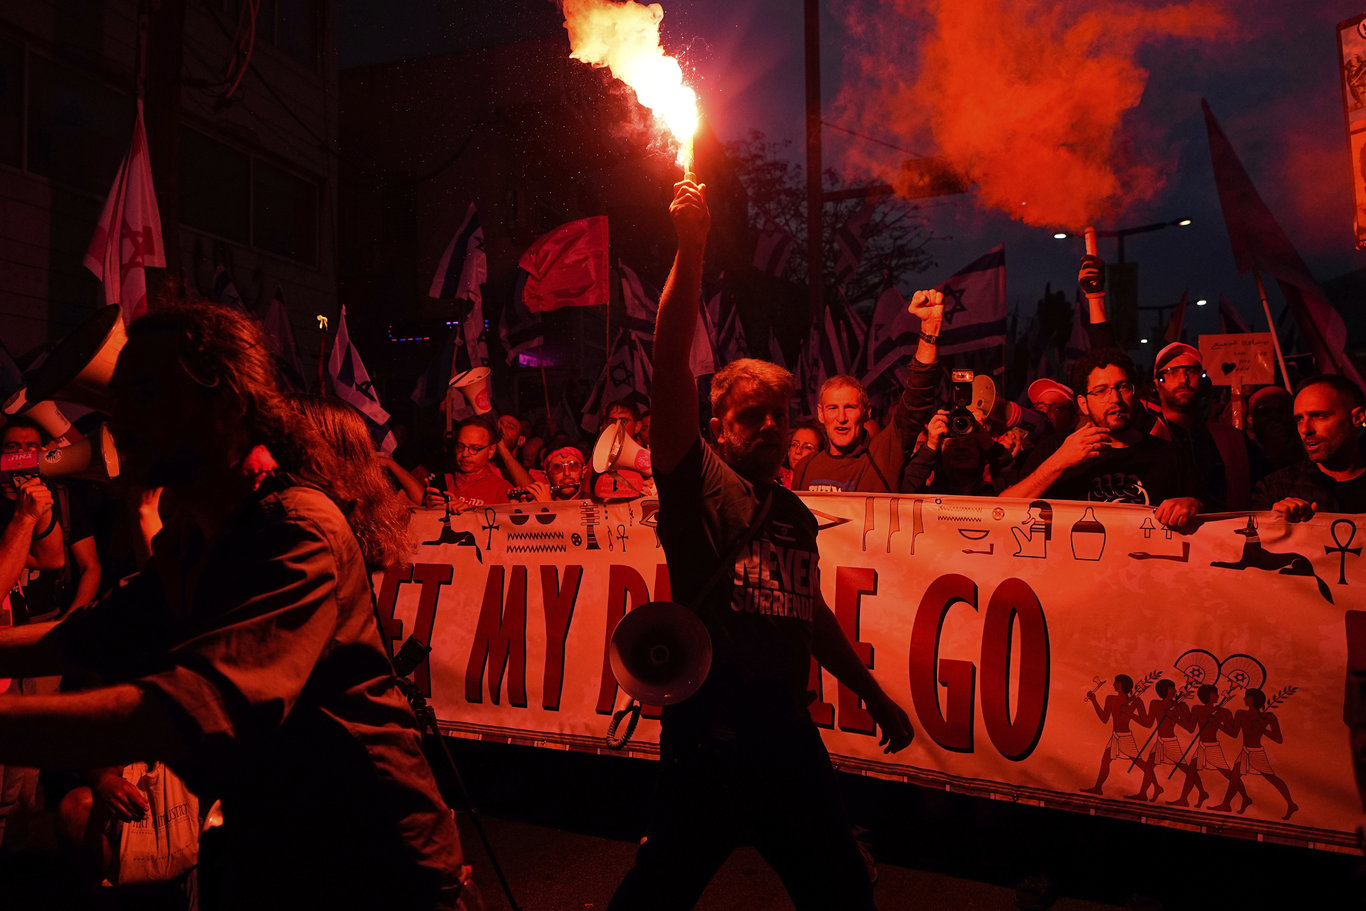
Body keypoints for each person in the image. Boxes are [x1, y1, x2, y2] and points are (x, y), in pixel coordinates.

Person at [0, 303, 465, 910]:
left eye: (144, 396)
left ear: (227, 406)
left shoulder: (297, 526)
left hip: (372, 863)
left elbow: (199, 708)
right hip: (279, 848)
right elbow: (96, 635)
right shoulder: (201, 533)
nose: (118, 421)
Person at [607, 176, 913, 911]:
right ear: (717, 428)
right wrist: (692, 245)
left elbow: (808, 616)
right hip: (707, 738)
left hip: (786, 734)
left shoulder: (795, 515)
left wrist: (872, 694)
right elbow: (670, 357)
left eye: (779, 413)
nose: (771, 426)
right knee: (657, 893)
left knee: (842, 894)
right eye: (751, 416)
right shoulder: (697, 481)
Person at [1001, 348, 1200, 528]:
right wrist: (1060, 461)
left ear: (1134, 393)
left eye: (1123, 387)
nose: (1115, 399)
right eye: (1101, 391)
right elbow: (1002, 510)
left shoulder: (1169, 455)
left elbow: (1206, 515)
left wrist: (1192, 505)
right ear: (1083, 404)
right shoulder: (1054, 449)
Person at [792, 294, 942, 494]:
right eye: (832, 408)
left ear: (866, 413)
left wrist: (930, 329)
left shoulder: (883, 456)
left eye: (850, 408)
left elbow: (916, 399)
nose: (841, 417)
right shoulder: (805, 468)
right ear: (821, 413)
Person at [1147, 342, 1253, 510]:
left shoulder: (1231, 438)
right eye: (1172, 372)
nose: (1183, 380)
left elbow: (1267, 485)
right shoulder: (1146, 436)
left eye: (1191, 371)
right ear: (1157, 384)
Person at [1252, 374, 1366, 519]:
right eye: (1299, 419)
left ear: (1358, 417)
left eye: (1319, 415)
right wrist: (1275, 526)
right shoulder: (1274, 489)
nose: (1305, 429)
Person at [592, 398, 652, 500]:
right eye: (612, 421)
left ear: (637, 426)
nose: (617, 426)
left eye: (623, 421)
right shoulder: (596, 459)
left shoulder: (651, 458)